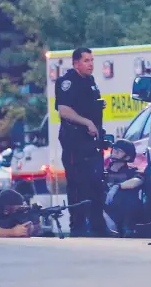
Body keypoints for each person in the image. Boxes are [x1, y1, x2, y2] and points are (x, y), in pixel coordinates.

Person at [55, 47, 107, 237]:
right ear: (76, 63)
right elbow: (64, 110)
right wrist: (86, 122)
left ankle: (98, 226)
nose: (90, 64)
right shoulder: (67, 82)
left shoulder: (90, 82)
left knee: (96, 184)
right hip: (74, 142)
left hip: (92, 142)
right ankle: (77, 226)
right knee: (78, 184)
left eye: (92, 60)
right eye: (86, 61)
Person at [103, 139, 145, 238]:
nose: (115, 152)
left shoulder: (131, 172)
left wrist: (117, 187)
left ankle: (128, 229)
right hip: (106, 213)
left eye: (119, 151)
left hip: (123, 212)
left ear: (128, 156)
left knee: (129, 197)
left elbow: (138, 180)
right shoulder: (103, 173)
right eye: (114, 149)